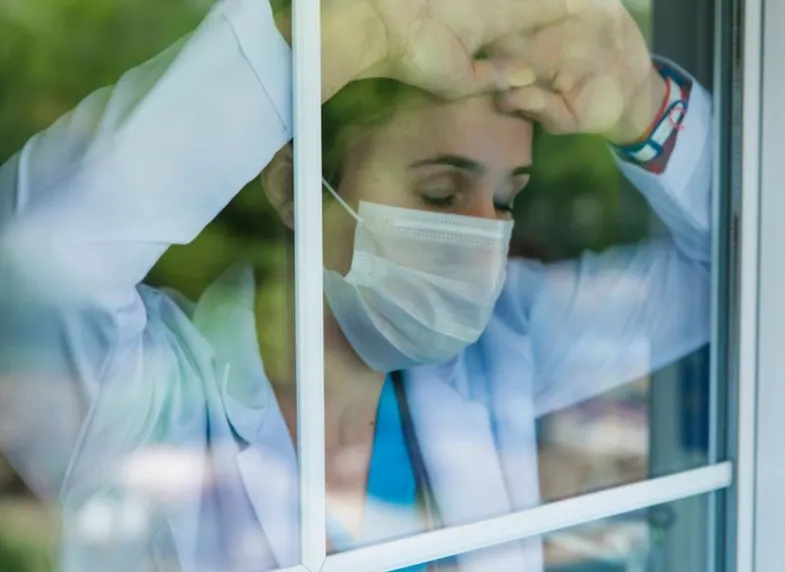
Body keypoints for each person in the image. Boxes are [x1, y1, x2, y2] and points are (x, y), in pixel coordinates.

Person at [0, 0, 713, 570]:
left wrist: (647, 112)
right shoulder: (144, 401)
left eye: (505, 200)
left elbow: (737, 282)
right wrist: (348, 33)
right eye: (439, 194)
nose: (484, 238)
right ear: (292, 187)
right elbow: (39, 258)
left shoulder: (507, 342)